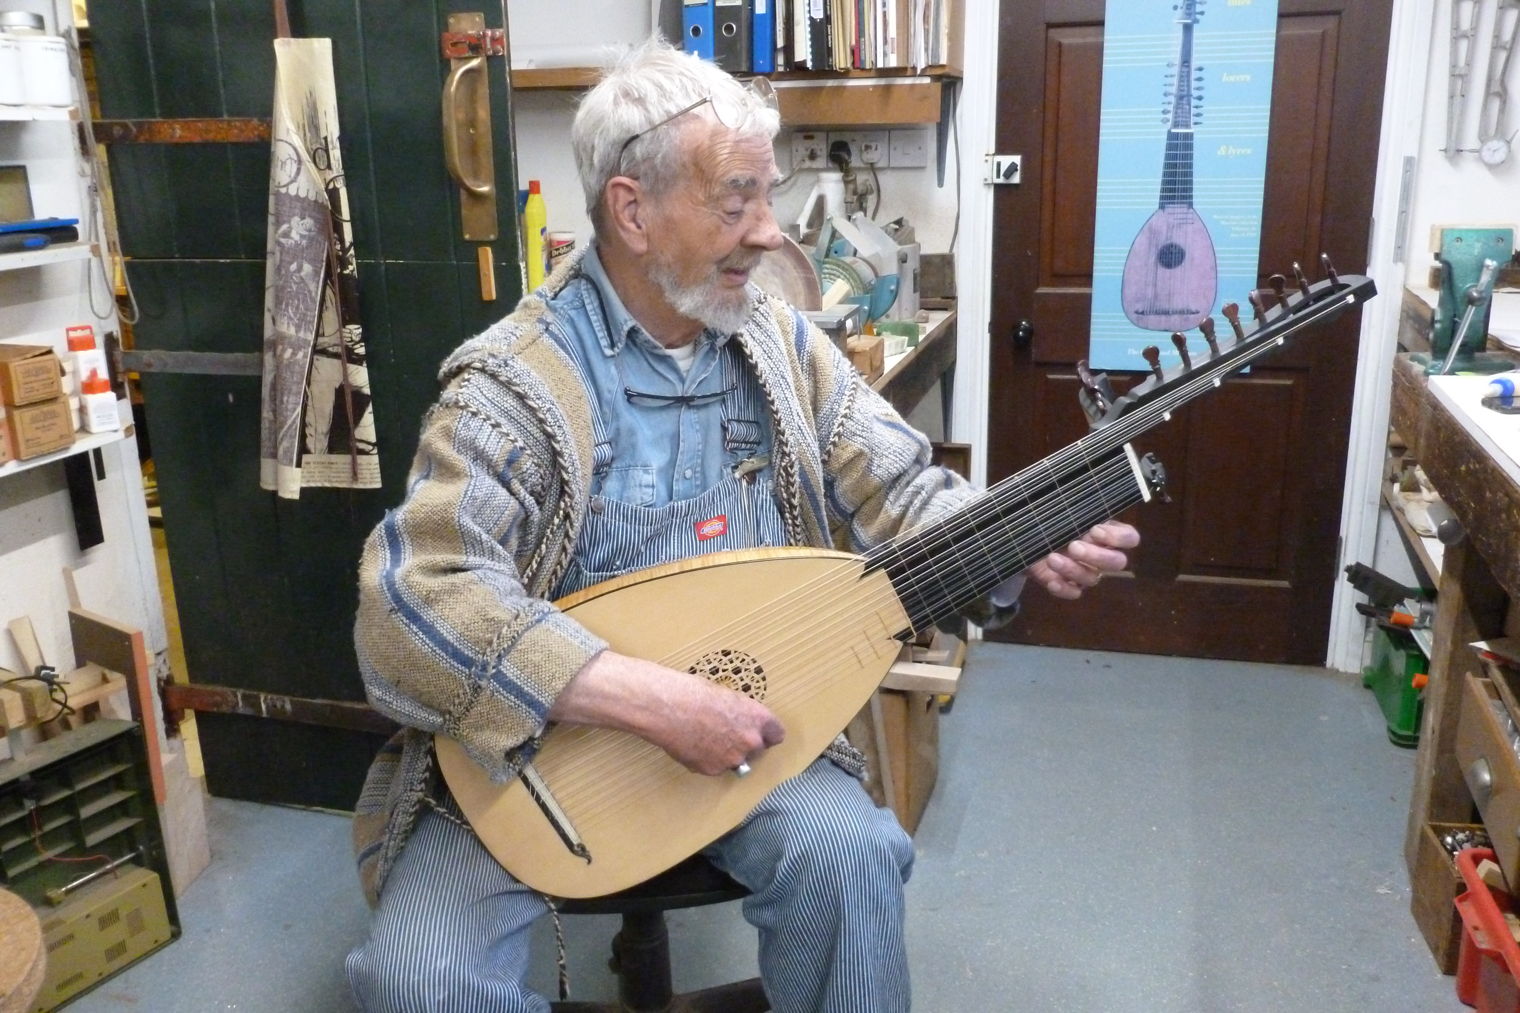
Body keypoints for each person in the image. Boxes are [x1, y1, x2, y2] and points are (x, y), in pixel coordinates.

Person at [344, 36, 1139, 1013]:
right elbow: (411, 603)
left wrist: (1012, 537)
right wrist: (639, 697)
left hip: (752, 729)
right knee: (419, 980)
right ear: (632, 210)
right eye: (737, 199)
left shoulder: (777, 344)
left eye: (768, 194)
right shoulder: (518, 382)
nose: (769, 232)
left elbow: (901, 490)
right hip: (535, 764)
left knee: (850, 859)